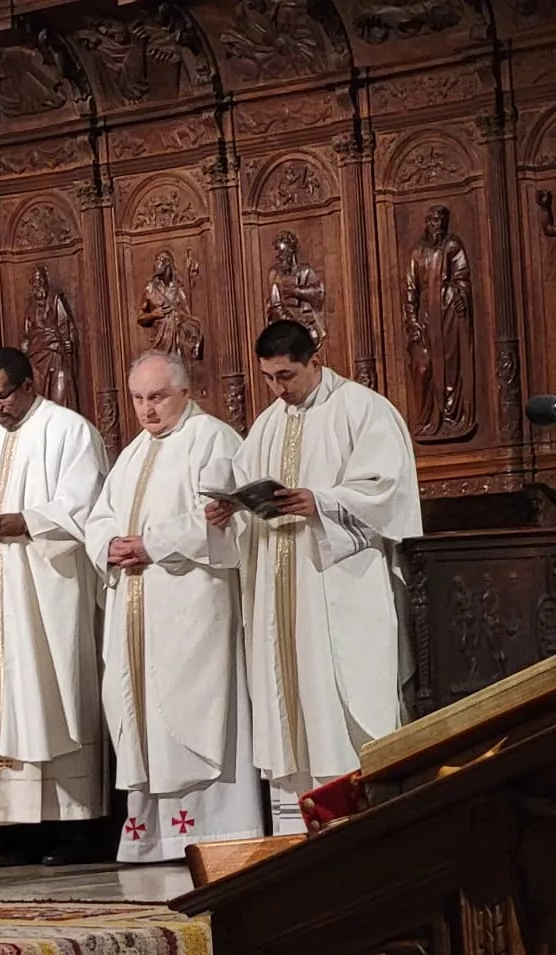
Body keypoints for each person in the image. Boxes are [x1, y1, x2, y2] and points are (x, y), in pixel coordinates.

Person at [207, 320, 421, 834]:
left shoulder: (362, 409)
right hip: (278, 588)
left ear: (315, 360)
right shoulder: (268, 424)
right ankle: (296, 822)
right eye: (268, 378)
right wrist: (229, 510)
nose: (278, 389)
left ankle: (361, 821)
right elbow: (245, 485)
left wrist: (320, 503)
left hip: (336, 586)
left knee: (334, 693)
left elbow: (387, 490)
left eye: (287, 375)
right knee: (288, 695)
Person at [86, 353, 263, 863]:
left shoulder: (213, 439)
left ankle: (217, 831)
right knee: (140, 711)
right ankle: (154, 838)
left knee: (194, 708)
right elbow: (101, 516)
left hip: (189, 609)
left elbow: (222, 520)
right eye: (138, 398)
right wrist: (110, 546)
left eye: (157, 396)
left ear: (185, 391)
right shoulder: (133, 453)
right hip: (137, 608)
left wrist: (151, 544)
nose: (146, 409)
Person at [0, 347, 108, 865]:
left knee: (49, 691)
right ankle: (13, 830)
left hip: (44, 588)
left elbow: (84, 506)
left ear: (29, 385)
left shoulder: (69, 431)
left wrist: (27, 521)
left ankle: (74, 828)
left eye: (2, 397)